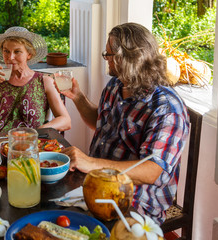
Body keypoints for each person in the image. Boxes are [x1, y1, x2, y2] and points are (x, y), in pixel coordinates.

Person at [61, 22, 190, 224]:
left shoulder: (166, 108)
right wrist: (78, 97)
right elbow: (101, 122)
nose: (106, 59)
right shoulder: (117, 84)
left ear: (127, 58)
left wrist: (90, 163)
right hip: (97, 185)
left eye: (109, 54)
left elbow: (151, 171)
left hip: (134, 203)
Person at [0, 27, 71, 132]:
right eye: (6, 51)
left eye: (17, 51)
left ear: (29, 54)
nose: (10, 57)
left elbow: (65, 120)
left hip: (31, 144)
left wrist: (37, 131)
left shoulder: (44, 81)